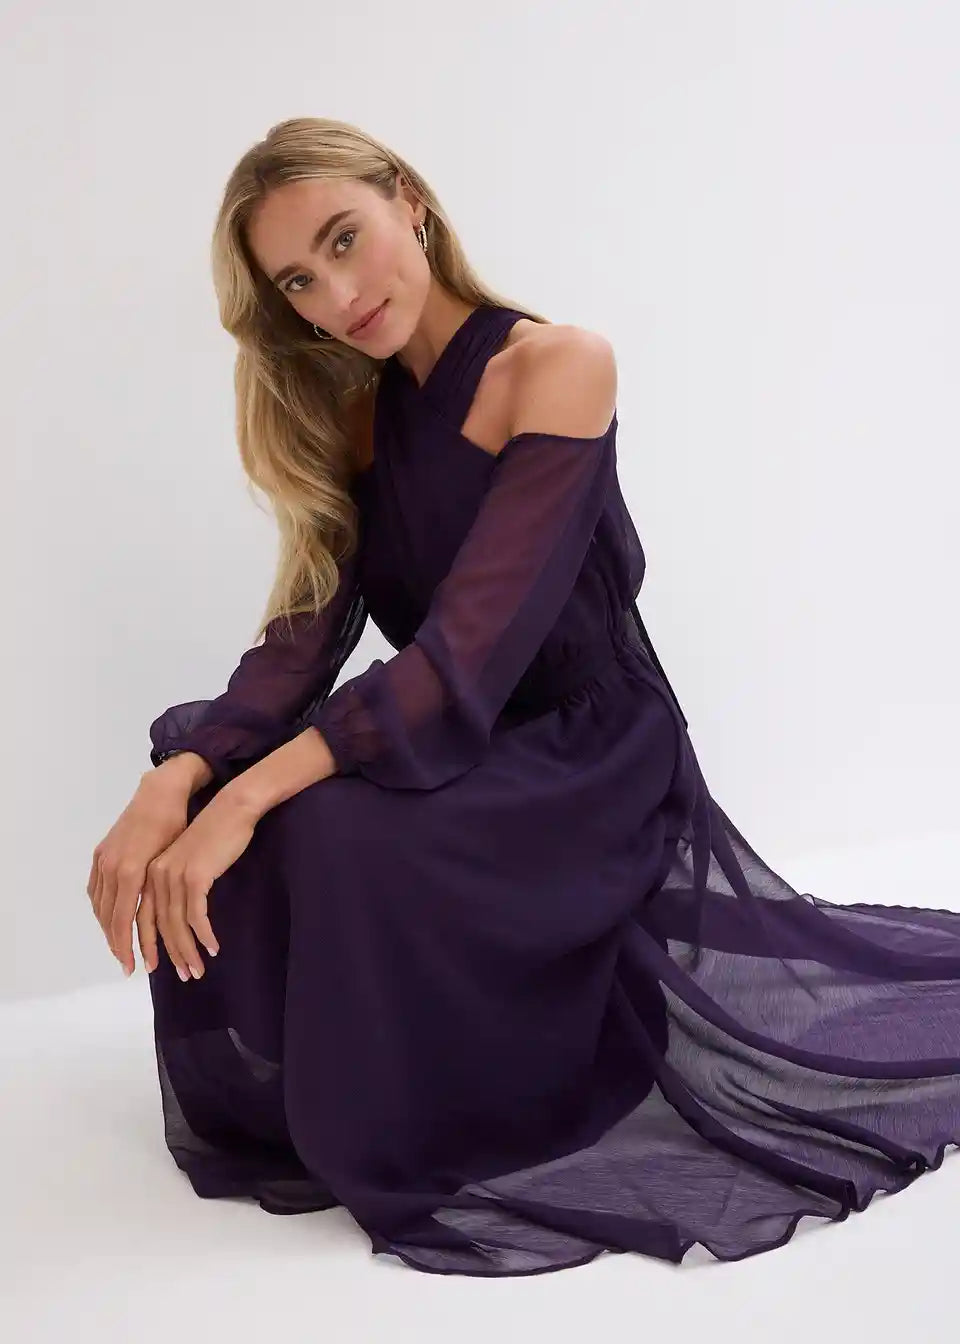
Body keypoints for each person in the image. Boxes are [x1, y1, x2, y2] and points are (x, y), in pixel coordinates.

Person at [88, 116, 960, 1278]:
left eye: (345, 240)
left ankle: (467, 1104)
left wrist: (247, 800)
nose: (337, 296)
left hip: (586, 747)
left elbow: (465, 657)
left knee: (313, 819)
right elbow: (303, 642)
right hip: (448, 730)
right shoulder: (358, 419)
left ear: (409, 201)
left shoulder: (557, 367)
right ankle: (323, 1098)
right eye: (299, 281)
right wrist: (184, 779)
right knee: (219, 779)